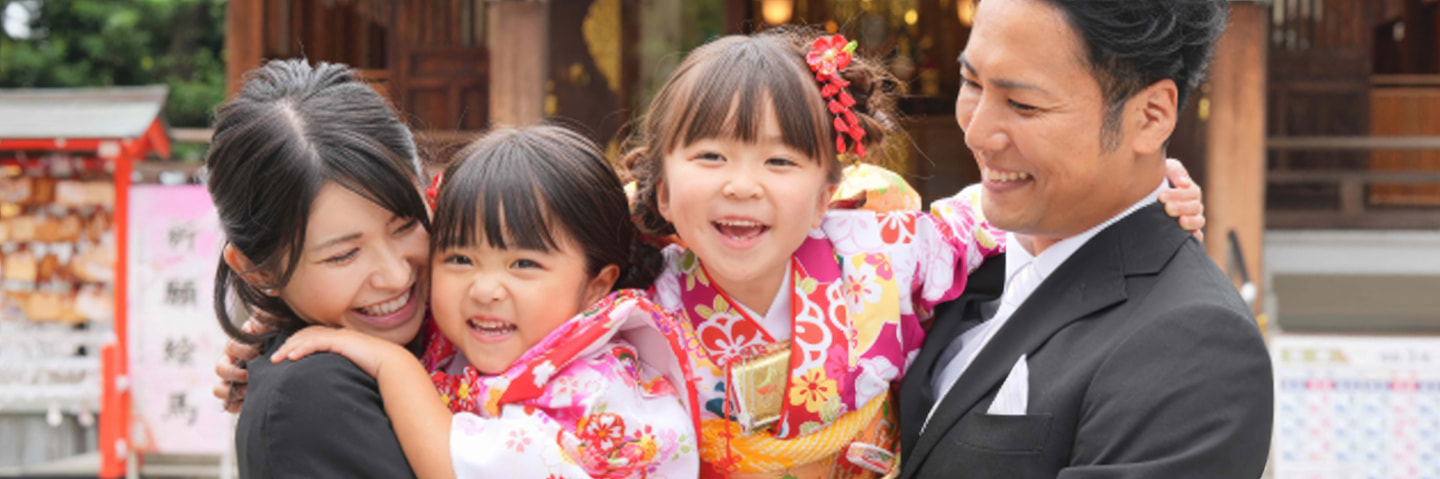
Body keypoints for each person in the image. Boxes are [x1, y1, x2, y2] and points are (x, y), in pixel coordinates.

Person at [620, 27, 1209, 478]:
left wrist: (1137, 187)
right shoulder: (633, 308)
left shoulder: (884, 256)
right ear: (664, 190)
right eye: (710, 158)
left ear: (829, 193)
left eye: (779, 162)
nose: (742, 186)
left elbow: (998, 212)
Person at [896, 1, 1273, 478]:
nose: (978, 131)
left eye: (1023, 104)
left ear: (1151, 117)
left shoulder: (1196, 345)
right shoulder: (961, 251)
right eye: (972, 83)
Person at [271, 126, 701, 478]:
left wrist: (390, 364)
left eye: (523, 264)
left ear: (596, 286)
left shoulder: (598, 390)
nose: (485, 289)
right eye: (460, 258)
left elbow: (454, 469)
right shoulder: (493, 335)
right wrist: (270, 318)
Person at [205, 59, 431, 478]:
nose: (397, 276)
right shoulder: (313, 396)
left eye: (406, 225)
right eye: (344, 255)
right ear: (258, 270)